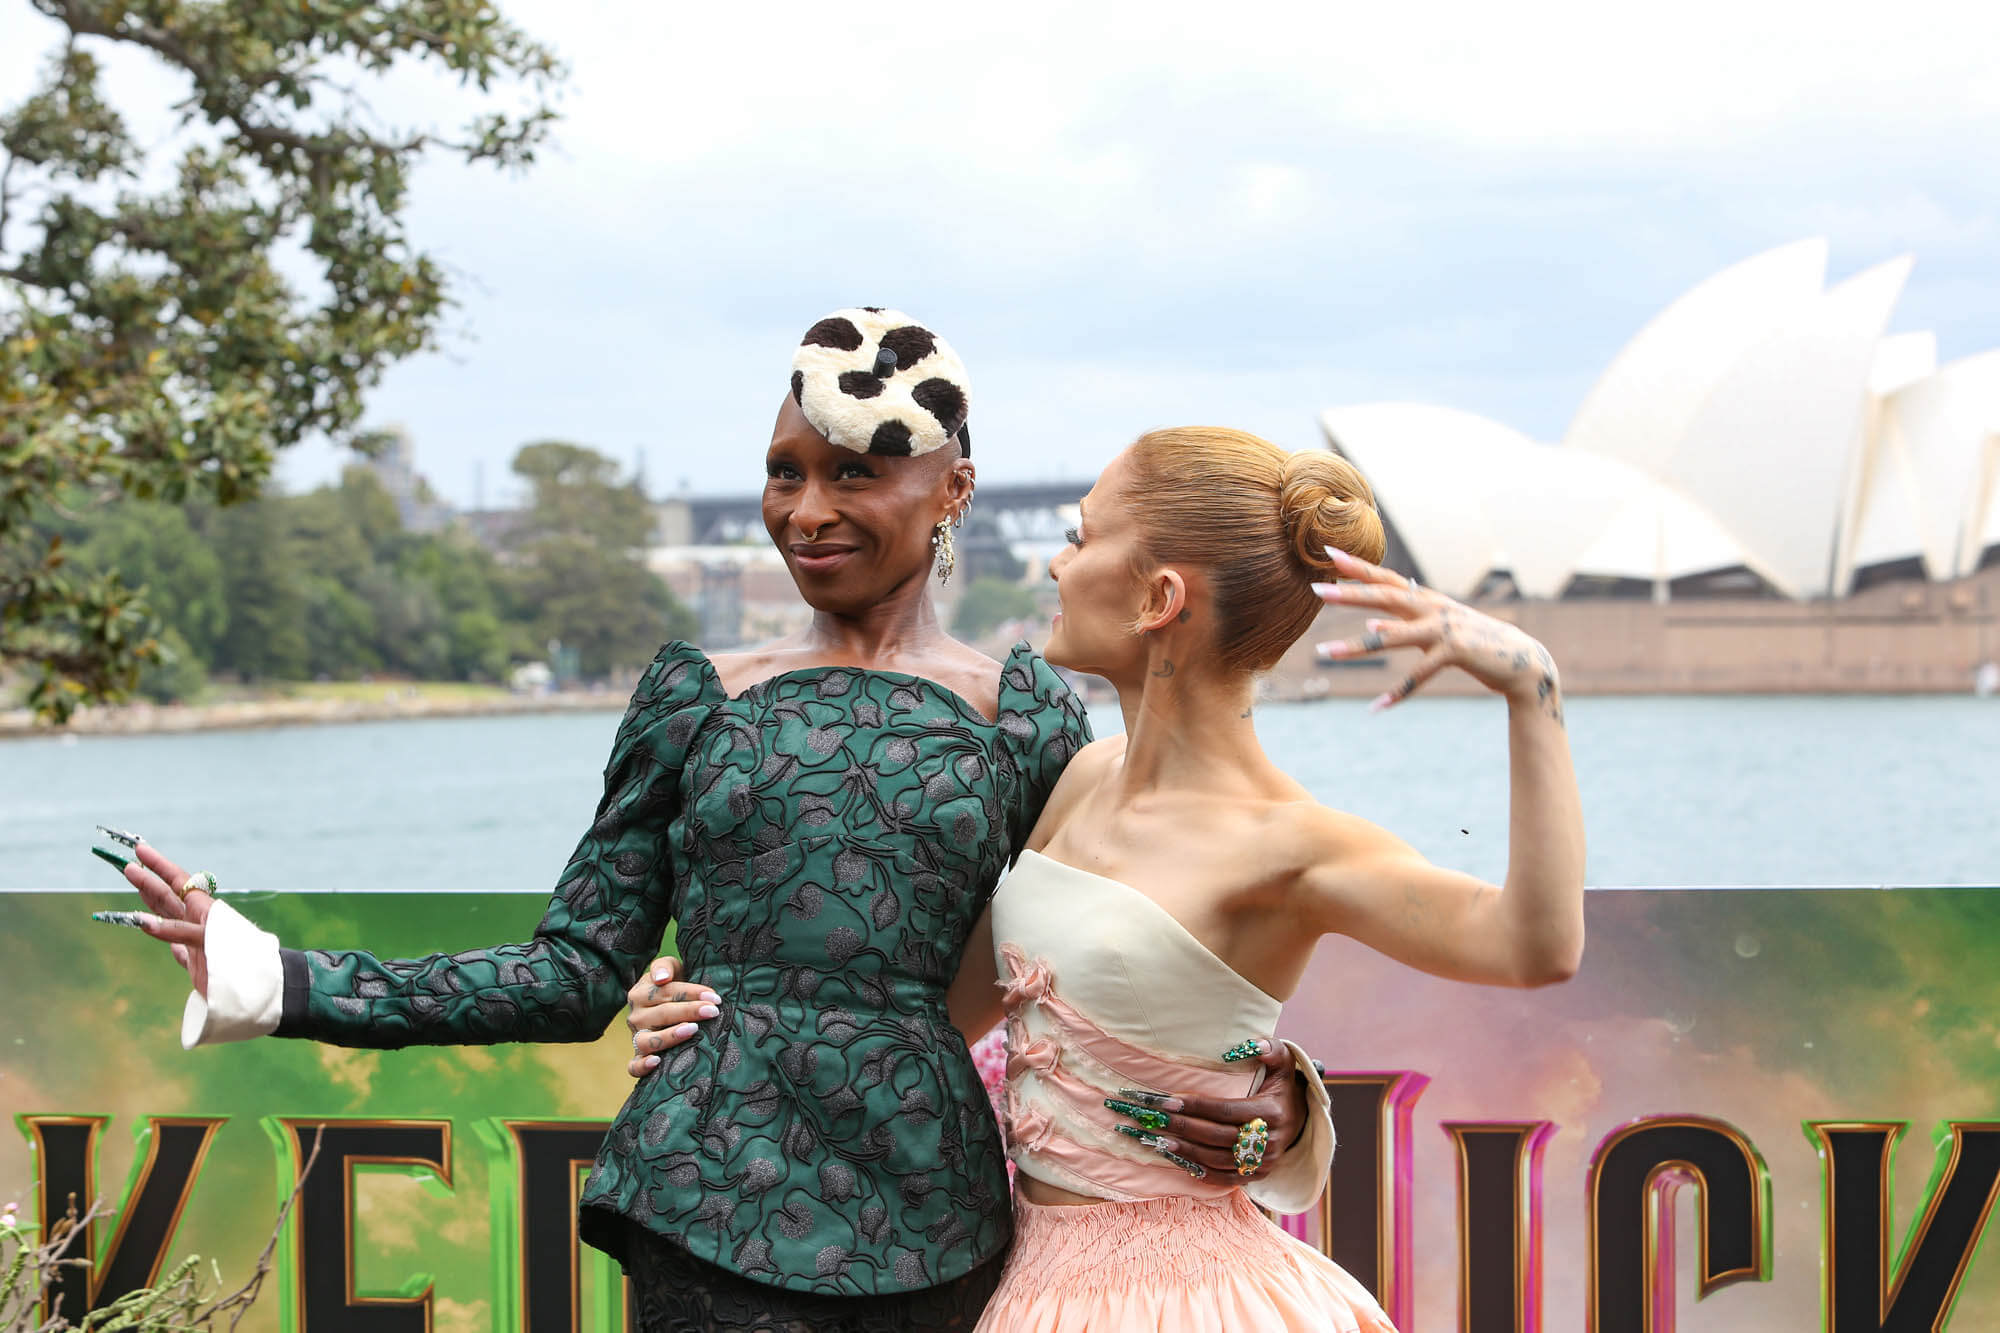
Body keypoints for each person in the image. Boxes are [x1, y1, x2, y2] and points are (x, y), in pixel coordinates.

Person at [96, 315, 1331, 1332]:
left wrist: (1279, 1099)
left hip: (939, 1218)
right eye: (785, 472)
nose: (807, 510)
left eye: (853, 473)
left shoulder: (1024, 715)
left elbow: (1117, 949)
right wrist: (273, 975)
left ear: (952, 489)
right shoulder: (696, 693)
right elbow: (575, 969)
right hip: (708, 1193)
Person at [632, 424, 1587, 1331]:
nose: (1055, 565)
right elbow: (939, 1009)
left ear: (1157, 598)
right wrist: (704, 1007)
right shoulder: (1084, 776)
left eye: (1080, 538)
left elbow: (1533, 945)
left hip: (1189, 1297)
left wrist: (1531, 689)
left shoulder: (1291, 841)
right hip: (1030, 1276)